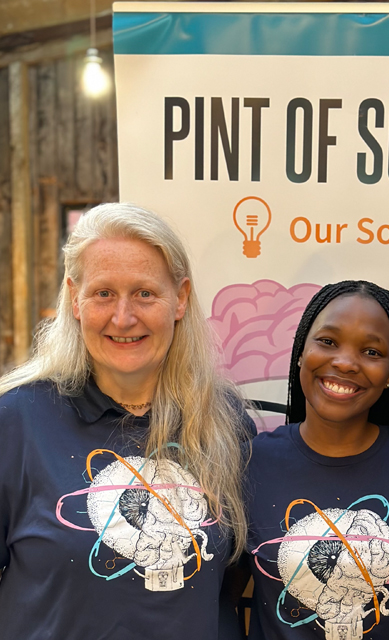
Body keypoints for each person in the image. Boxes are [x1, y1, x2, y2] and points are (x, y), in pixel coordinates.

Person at [0, 203, 253, 639]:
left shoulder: (224, 420)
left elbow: (235, 581)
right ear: (74, 298)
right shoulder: (17, 422)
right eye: (103, 293)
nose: (123, 317)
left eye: (144, 294)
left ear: (180, 298)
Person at [244, 280, 389, 640]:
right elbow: (218, 601)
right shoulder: (251, 463)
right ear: (301, 351)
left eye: (371, 351)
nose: (344, 362)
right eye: (327, 341)